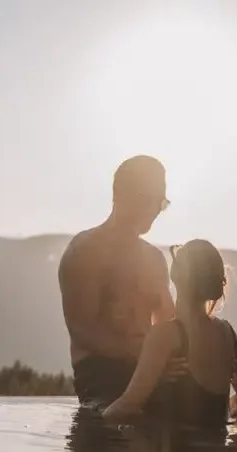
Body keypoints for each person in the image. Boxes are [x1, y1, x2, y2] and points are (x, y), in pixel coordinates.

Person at [57, 155, 180, 407]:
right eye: (154, 200)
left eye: (162, 202)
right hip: (103, 381)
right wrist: (145, 356)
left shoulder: (154, 259)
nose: (158, 209)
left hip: (148, 374)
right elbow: (83, 331)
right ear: (124, 195)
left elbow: (168, 323)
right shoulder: (85, 251)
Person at [102, 239, 237, 427]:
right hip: (216, 451)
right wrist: (226, 410)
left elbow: (126, 406)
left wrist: (97, 423)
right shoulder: (227, 333)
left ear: (176, 275)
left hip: (177, 451)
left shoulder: (166, 335)